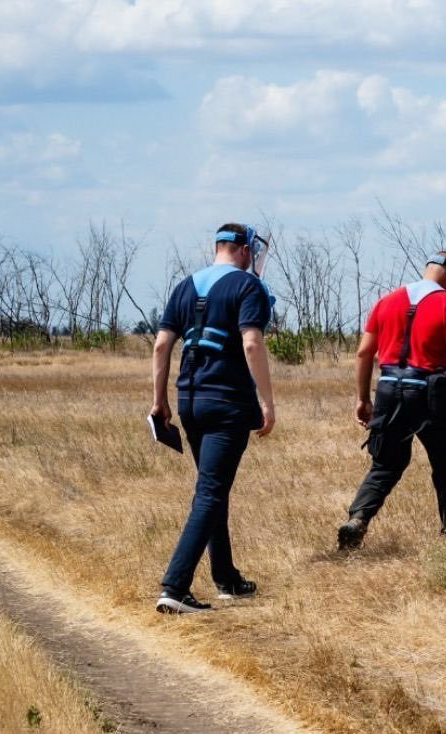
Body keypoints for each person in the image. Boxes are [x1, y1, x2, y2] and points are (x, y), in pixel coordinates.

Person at [150, 223, 276, 614]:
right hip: (228, 402)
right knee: (210, 492)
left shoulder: (186, 285)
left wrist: (160, 402)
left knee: (211, 486)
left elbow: (161, 345)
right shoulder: (248, 285)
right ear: (244, 249)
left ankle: (226, 579)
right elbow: (251, 342)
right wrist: (267, 402)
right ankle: (175, 586)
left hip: (189, 400)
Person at [337, 251, 446, 550]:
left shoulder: (386, 300)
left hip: (389, 390)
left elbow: (364, 353)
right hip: (431, 395)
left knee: (386, 464)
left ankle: (358, 518)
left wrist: (363, 398)